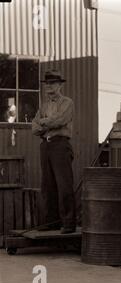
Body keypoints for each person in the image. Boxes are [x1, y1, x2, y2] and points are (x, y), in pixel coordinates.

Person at [31, 70, 76, 234]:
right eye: (47, 84)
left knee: (64, 185)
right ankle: (52, 222)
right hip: (46, 145)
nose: (49, 86)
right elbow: (34, 127)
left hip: (60, 145)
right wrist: (45, 124)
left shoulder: (67, 103)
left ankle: (68, 223)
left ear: (60, 85)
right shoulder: (44, 105)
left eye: (52, 83)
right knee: (47, 185)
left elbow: (61, 120)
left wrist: (43, 123)